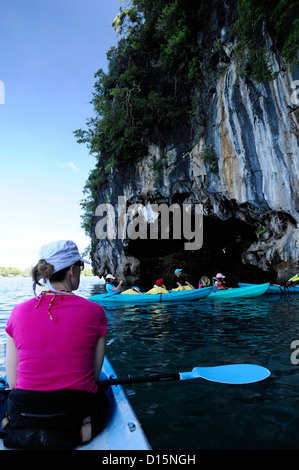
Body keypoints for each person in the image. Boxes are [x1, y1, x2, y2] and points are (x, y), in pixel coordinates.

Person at [3, 240, 109, 450]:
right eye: (80, 267)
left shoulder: (17, 311)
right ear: (72, 270)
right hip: (75, 416)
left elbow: (13, 382)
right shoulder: (95, 311)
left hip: (26, 414)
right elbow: (94, 376)